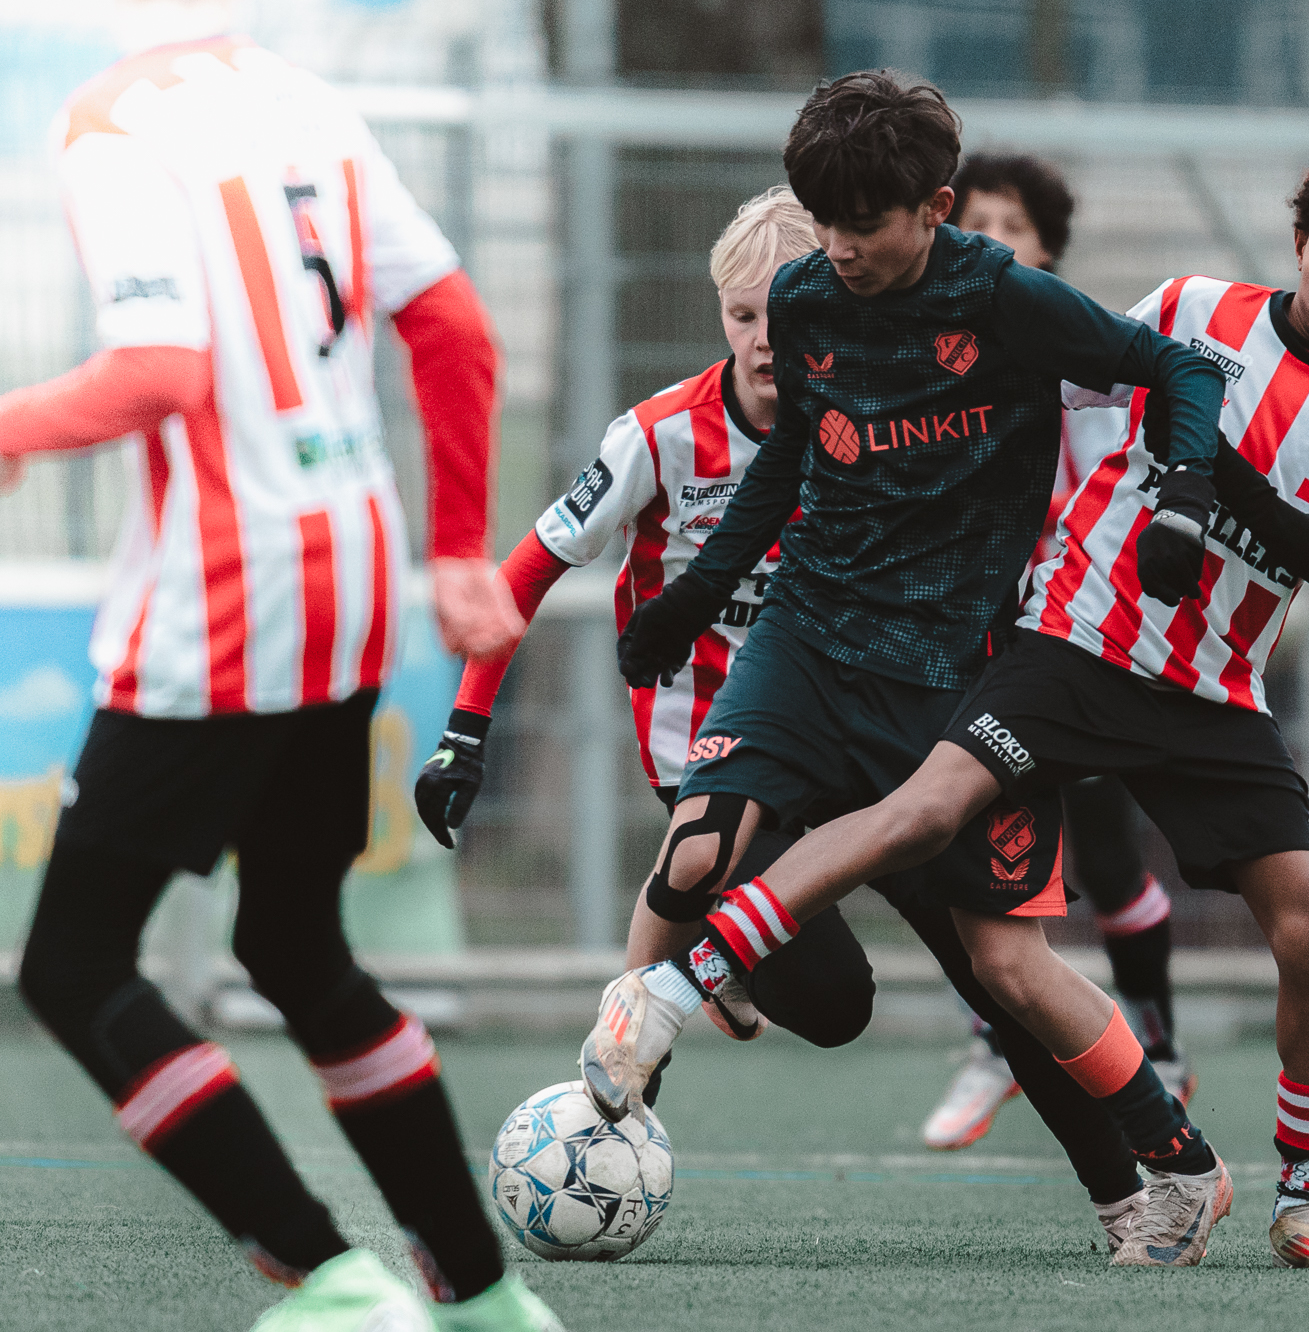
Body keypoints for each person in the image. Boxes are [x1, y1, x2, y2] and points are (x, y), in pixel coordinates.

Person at [653, 146, 1309, 1271]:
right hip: (1071, 645)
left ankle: (1305, 1202)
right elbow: (1053, 392)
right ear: (1297, 242)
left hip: (1211, 691)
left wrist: (1204, 474)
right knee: (925, 816)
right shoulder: (1190, 309)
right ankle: (684, 980)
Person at [412, 188, 1158, 1252]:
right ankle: (606, 1111)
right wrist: (465, 732)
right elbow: (519, 576)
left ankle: (1127, 1199)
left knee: (987, 974)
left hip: (877, 736)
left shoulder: (888, 421)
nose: (766, 340)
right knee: (752, 922)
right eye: (740, 316)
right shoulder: (660, 436)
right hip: (729, 753)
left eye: (782, 312)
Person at [579, 69, 1236, 1266]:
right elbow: (790, 461)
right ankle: (604, 1113)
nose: (837, 248)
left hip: (957, 678)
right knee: (696, 849)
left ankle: (1147, 1185)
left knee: (1002, 973)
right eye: (822, 222)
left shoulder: (1004, 299)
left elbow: (1182, 369)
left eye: (863, 225)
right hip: (808, 640)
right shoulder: (805, 298)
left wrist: (1184, 497)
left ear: (935, 207)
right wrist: (695, 596)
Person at [0, 0, 558, 1329]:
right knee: (297, 943)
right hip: (352, 574)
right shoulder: (308, 102)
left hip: (225, 592)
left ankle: (332, 1277)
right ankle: (483, 1299)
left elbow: (160, 369)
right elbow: (456, 326)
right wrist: (455, 547)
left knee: (74, 966)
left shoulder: (114, 119)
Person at [922, 154, 1193, 1152]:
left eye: (1013, 225)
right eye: (975, 220)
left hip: (1068, 640)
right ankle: (993, 1043)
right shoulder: (928, 348)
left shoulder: (1077, 359)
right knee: (957, 840)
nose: (991, 238)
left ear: (1047, 250)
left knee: (1108, 855)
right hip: (966, 641)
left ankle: (1159, 1048)